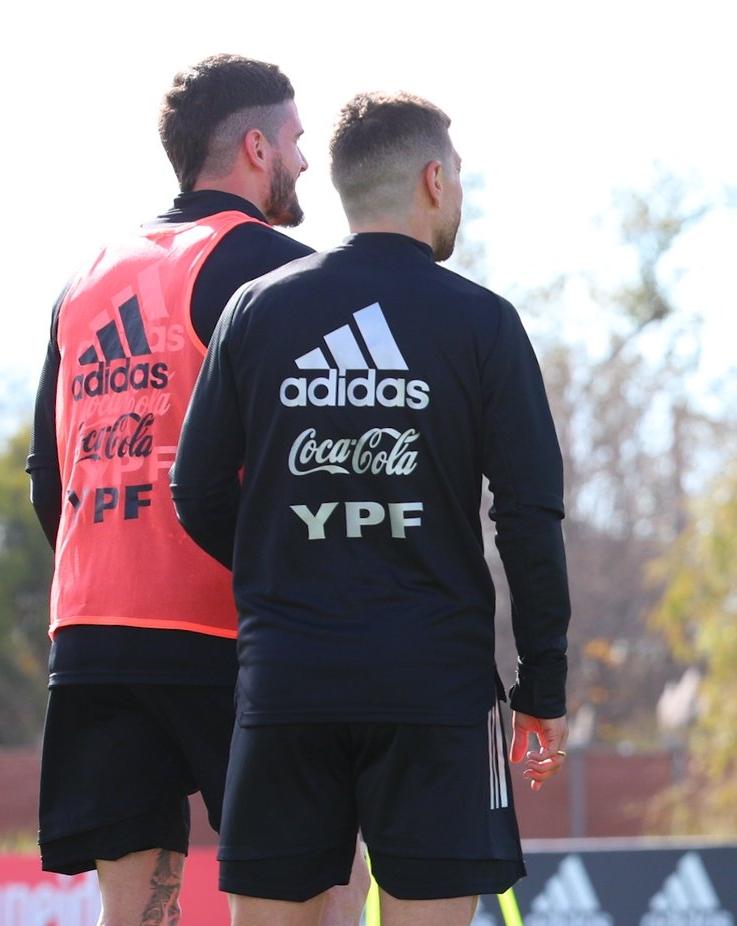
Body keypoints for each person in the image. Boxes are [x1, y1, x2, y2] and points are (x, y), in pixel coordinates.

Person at [170, 91, 571, 926]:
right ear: (433, 179)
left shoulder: (258, 309)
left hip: (287, 683)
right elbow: (528, 517)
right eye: (457, 175)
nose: (458, 192)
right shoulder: (483, 323)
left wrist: (284, 567)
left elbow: (196, 490)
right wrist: (543, 685)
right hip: (435, 688)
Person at [27, 53, 317, 925]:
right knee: (295, 901)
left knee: (135, 913)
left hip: (94, 630)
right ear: (257, 148)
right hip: (228, 631)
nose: (305, 161)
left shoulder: (86, 276)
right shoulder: (275, 269)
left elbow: (50, 475)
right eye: (298, 140)